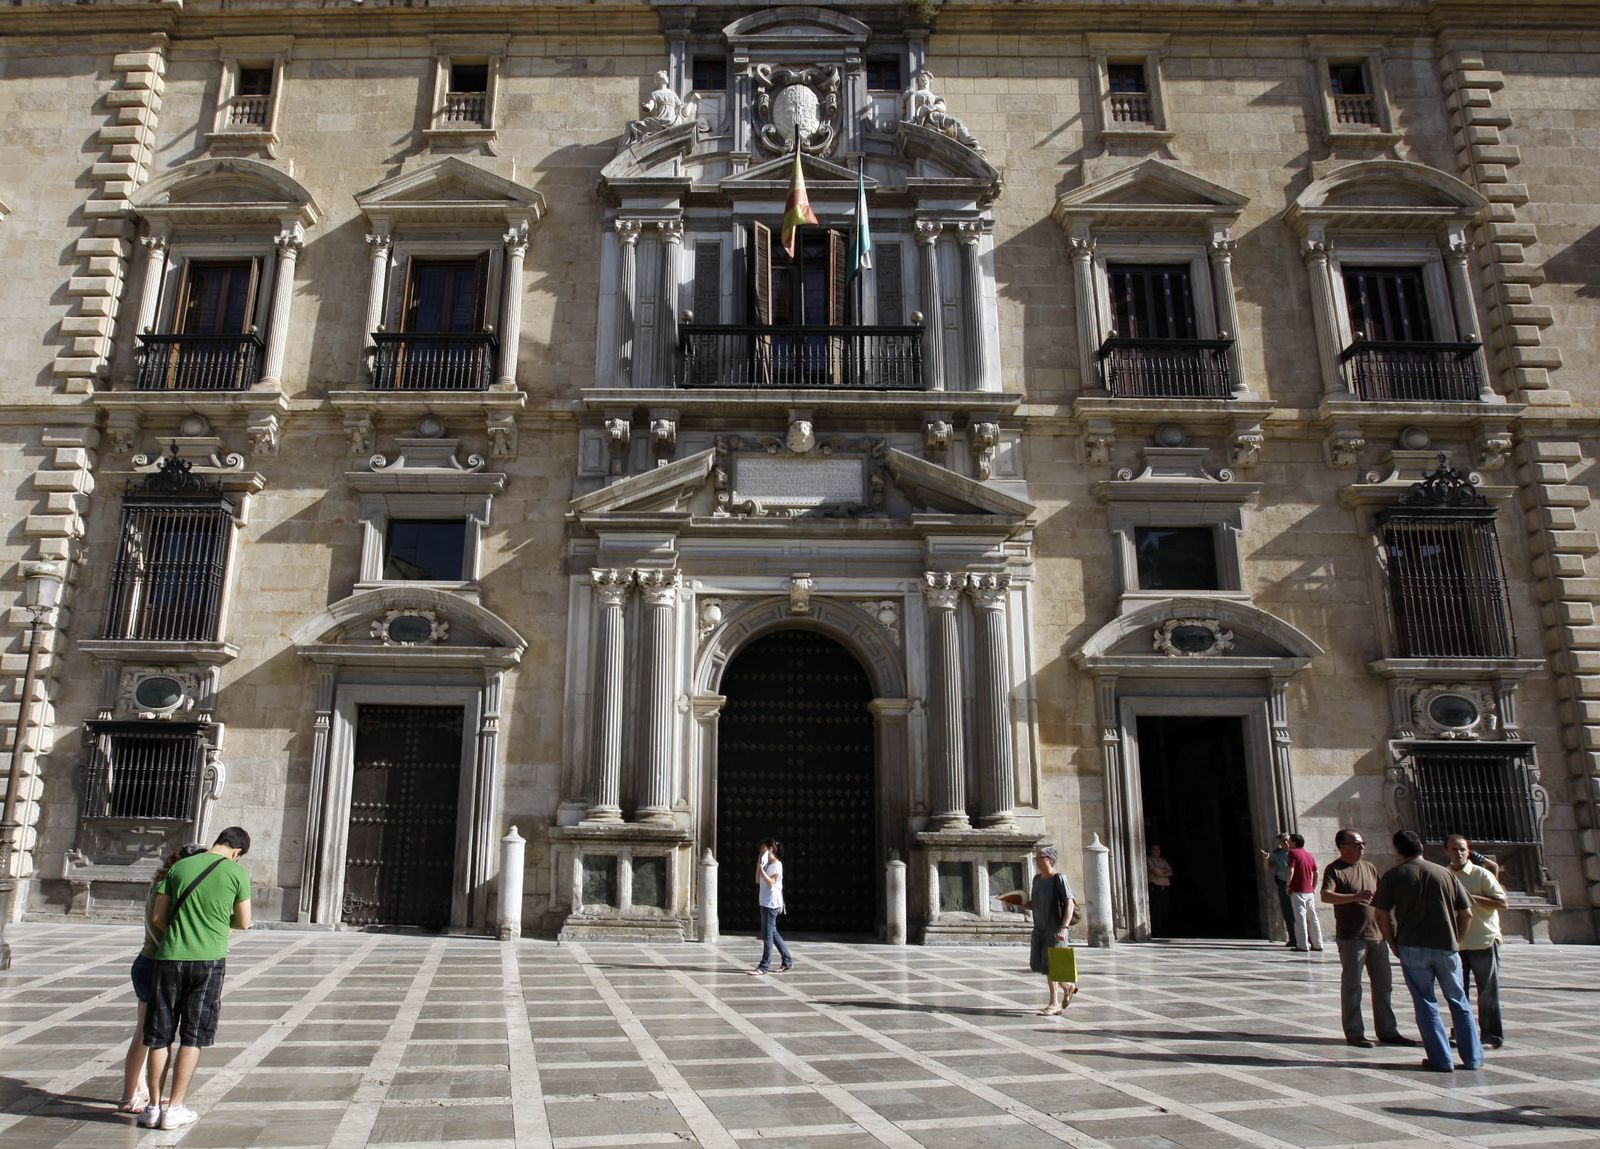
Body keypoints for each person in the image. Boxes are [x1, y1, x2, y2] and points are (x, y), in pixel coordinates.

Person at [140, 826, 252, 1131]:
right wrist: (216, 925)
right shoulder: (236, 873)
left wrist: (178, 934)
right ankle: (174, 1108)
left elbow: (157, 917)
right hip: (208, 960)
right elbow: (244, 922)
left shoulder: (179, 867)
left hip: (169, 957)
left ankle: (152, 1107)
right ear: (237, 852)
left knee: (159, 1035)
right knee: (193, 1036)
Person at [1373, 829, 1483, 1073]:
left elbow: (1381, 913)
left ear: (1397, 850)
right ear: (1421, 847)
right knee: (1459, 1001)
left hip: (1412, 947)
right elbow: (1466, 913)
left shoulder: (1393, 876)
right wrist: (1457, 939)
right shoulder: (1445, 873)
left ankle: (1440, 1059)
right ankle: (1473, 1058)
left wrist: (1392, 941)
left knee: (1425, 1003)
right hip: (1446, 946)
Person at [117, 843, 208, 1113]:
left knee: (146, 1032)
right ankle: (129, 1095)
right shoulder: (168, 887)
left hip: (148, 961)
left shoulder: (162, 883)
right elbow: (161, 923)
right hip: (156, 963)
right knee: (147, 1034)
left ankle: (141, 1089)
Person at [1319, 829, 1413, 1048]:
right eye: (1356, 844)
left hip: (1377, 935)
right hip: (1352, 936)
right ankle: (1355, 1032)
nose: (1361, 847)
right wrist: (1355, 897)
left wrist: (1391, 931)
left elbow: (1382, 899)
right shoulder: (1335, 869)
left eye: (1363, 843)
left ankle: (1388, 1030)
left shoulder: (1369, 867)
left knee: (1383, 985)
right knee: (1352, 986)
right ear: (1342, 847)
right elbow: (1325, 895)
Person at [1447, 834, 1509, 1049]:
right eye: (1454, 849)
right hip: (1457, 942)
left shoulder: (1481, 874)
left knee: (1487, 992)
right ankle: (1461, 1033)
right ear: (1446, 851)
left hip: (1483, 940)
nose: (1459, 853)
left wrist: (1471, 897)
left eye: (1462, 849)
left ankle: (1491, 1036)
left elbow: (1502, 903)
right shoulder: (1446, 875)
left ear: (1468, 850)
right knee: (1458, 991)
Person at [1026, 846, 1078, 1015]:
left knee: (1052, 967)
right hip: (1039, 928)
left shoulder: (1059, 878)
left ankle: (1054, 1004)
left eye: (1040, 857)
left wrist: (1064, 927)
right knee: (1039, 964)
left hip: (1055, 928)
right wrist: (1016, 901)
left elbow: (1069, 903)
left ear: (1050, 859)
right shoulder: (1036, 879)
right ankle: (1068, 986)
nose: (1037, 861)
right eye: (1036, 858)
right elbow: (1034, 903)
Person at [747, 839, 792, 976]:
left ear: (770, 849)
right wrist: (759, 867)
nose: (761, 851)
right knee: (773, 933)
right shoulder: (766, 864)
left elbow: (771, 882)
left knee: (767, 936)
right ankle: (787, 961)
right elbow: (757, 880)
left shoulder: (777, 865)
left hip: (771, 903)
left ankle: (764, 966)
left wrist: (762, 871)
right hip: (764, 901)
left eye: (763, 848)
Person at [1286, 833, 1323, 952]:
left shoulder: (1293, 853)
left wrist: (1288, 885)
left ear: (1294, 842)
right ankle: (1318, 944)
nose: (1288, 843)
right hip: (1309, 891)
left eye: (1289, 841)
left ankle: (1302, 945)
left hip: (1298, 890)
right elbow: (1316, 872)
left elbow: (1291, 869)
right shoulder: (1309, 855)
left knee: (1300, 918)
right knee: (1313, 918)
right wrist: (1313, 887)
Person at [1261, 832, 1295, 947]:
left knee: (1301, 911)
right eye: (1283, 841)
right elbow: (1268, 868)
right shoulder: (1277, 854)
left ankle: (1306, 938)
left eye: (1287, 840)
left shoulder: (1296, 852)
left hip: (1296, 883)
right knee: (1287, 911)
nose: (1286, 843)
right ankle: (1293, 938)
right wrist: (1266, 859)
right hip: (1283, 883)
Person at [1144, 844, 1173, 936]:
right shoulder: (1148, 860)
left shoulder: (1162, 860)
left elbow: (1170, 872)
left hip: (1164, 889)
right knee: (1156, 911)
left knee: (1165, 910)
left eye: (1158, 850)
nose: (1157, 852)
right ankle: (1157, 931)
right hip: (1155, 889)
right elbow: (1156, 871)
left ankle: (1165, 930)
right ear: (1150, 851)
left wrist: (1161, 872)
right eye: (1155, 850)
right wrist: (1163, 871)